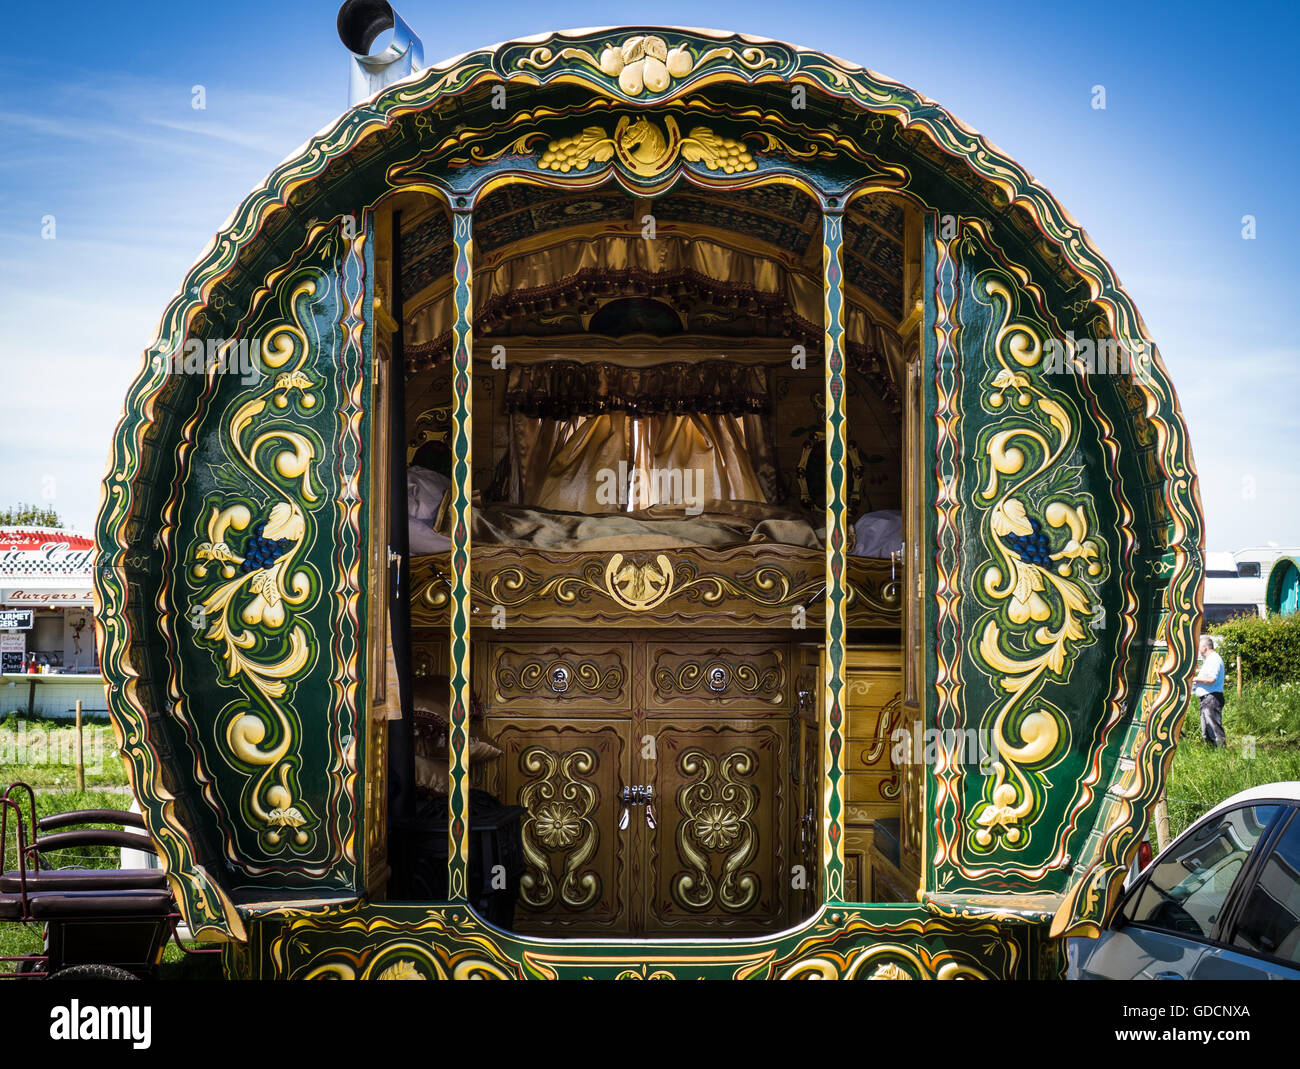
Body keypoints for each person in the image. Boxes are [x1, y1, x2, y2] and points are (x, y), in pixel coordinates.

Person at [1193, 634, 1226, 747]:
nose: (1198, 650)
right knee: (1206, 732)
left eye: (1199, 647)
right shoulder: (1209, 660)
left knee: (1214, 729)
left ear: (1205, 647)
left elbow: (1211, 679)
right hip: (1207, 698)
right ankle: (1213, 755)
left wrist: (1195, 678)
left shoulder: (1214, 659)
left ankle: (1222, 753)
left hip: (1212, 698)